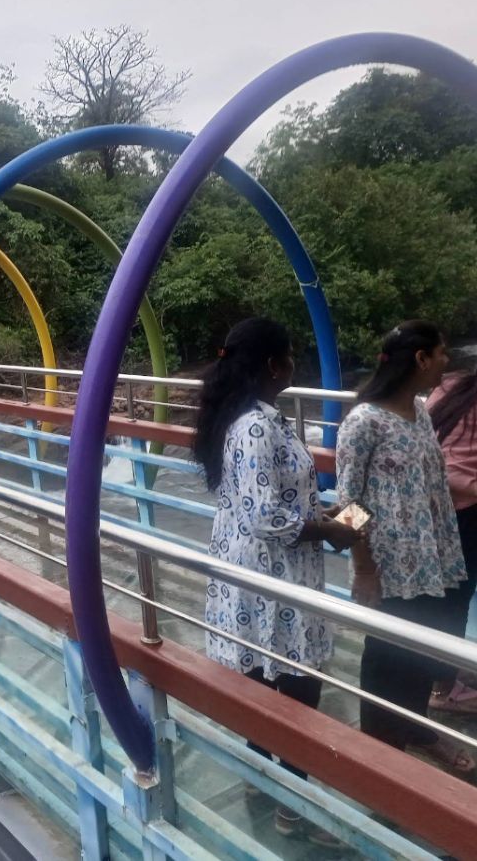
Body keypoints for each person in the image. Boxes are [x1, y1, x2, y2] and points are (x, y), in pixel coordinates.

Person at [194, 318, 361, 844]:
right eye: (290, 355)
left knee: (264, 686)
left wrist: (321, 509)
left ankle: (261, 782)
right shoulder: (259, 425)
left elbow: (263, 498)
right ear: (274, 365)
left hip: (251, 572)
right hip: (273, 579)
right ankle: (293, 808)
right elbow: (268, 518)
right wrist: (327, 529)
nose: (295, 363)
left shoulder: (242, 417)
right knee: (295, 690)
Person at [335, 320, 473, 773]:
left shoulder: (419, 410)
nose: (446, 361)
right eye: (441, 353)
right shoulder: (363, 421)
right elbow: (347, 503)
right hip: (389, 566)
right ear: (420, 359)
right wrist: (365, 570)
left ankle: (412, 731)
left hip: (431, 562)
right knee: (386, 658)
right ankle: (380, 756)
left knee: (418, 653)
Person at [426, 365, 477, 712]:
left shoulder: (449, 387)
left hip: (435, 513)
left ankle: (438, 676)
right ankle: (443, 688)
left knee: (443, 600)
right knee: (453, 601)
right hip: (466, 514)